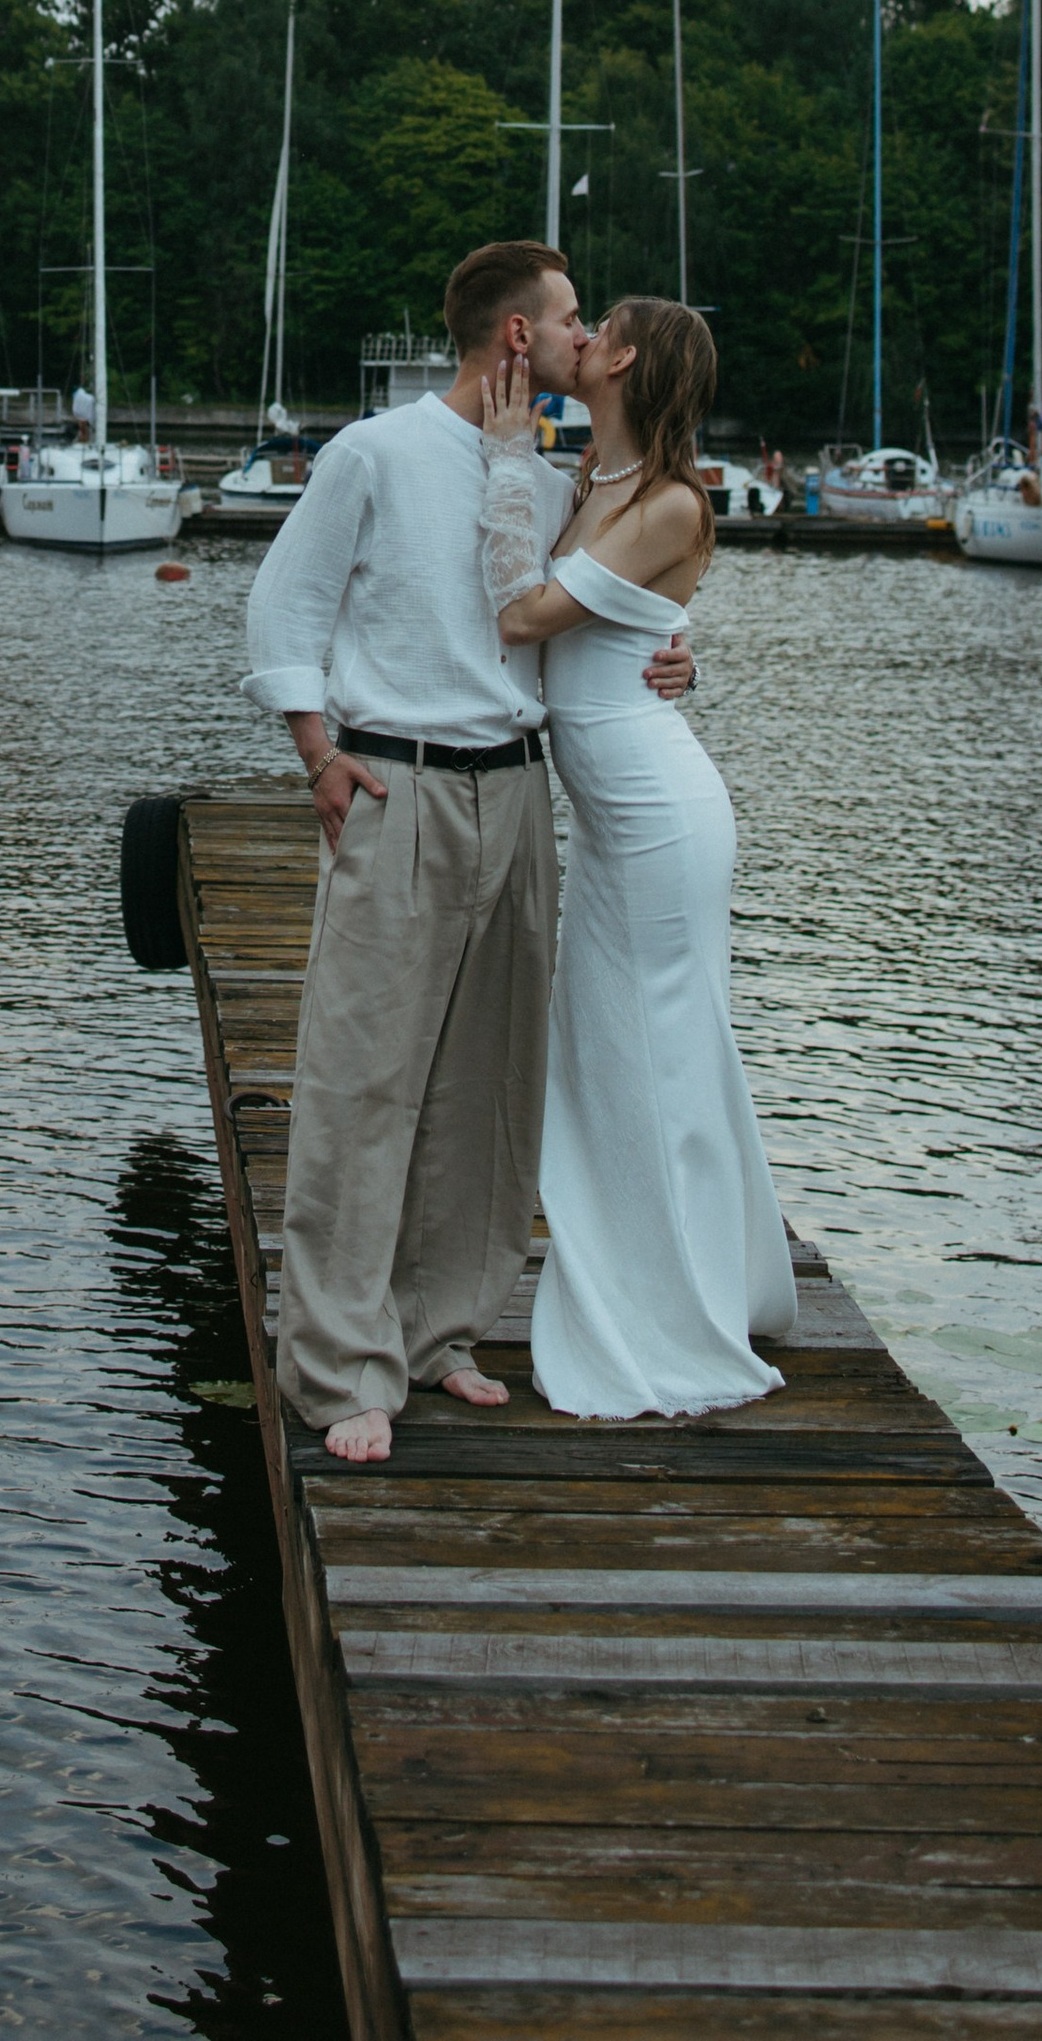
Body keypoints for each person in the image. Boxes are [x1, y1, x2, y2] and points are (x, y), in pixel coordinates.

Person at [243, 243, 695, 1466]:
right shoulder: (373, 454)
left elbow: (590, 620)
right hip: (402, 783)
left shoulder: (547, 480)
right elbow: (283, 607)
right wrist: (315, 753)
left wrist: (670, 656)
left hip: (522, 795)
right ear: (516, 340)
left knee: (492, 1084)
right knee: (364, 1082)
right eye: (566, 320)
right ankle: (341, 1368)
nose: (582, 336)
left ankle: (440, 1332)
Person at [480, 296, 795, 1418]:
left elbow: (524, 617)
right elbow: (617, 641)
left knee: (652, 1054)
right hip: (616, 819)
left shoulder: (669, 501)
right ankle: (689, 1273)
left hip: (662, 821)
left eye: (593, 321)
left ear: (617, 358)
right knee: (622, 1051)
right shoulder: (595, 485)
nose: (577, 331)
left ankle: (677, 1307)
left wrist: (509, 461)